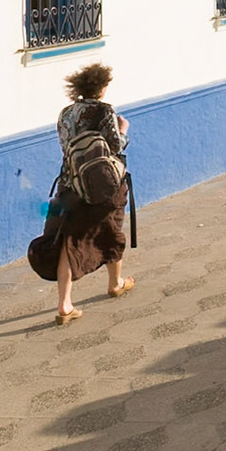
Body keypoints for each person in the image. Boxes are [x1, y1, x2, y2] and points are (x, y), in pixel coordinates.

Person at [53, 63, 135, 324]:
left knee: (70, 241)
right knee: (111, 229)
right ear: (101, 87)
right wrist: (123, 130)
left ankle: (64, 304)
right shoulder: (104, 111)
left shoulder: (65, 114)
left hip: (71, 183)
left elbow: (65, 146)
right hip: (103, 184)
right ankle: (115, 283)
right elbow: (114, 146)